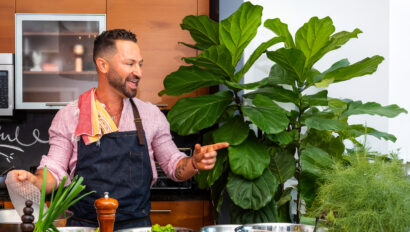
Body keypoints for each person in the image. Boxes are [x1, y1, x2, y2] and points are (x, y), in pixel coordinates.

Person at [11, 29, 229, 230]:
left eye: (140, 64)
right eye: (130, 63)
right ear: (103, 65)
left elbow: (174, 165)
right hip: (87, 227)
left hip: (137, 227)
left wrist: (193, 163)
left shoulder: (150, 115)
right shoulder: (70, 116)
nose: (139, 72)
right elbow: (55, 170)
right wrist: (35, 182)